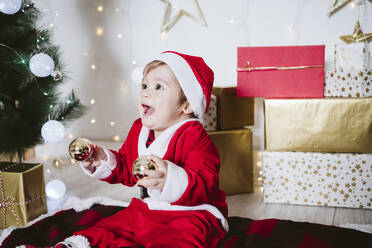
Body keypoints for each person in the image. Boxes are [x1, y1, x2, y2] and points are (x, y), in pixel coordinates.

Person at [57, 51, 228, 248]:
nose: (146, 93)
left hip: (194, 211)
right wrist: (101, 158)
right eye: (144, 85)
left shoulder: (195, 137)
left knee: (181, 237)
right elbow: (127, 167)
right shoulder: (140, 129)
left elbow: (206, 182)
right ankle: (81, 244)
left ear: (187, 104)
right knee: (117, 225)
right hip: (150, 208)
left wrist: (167, 179)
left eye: (158, 87)